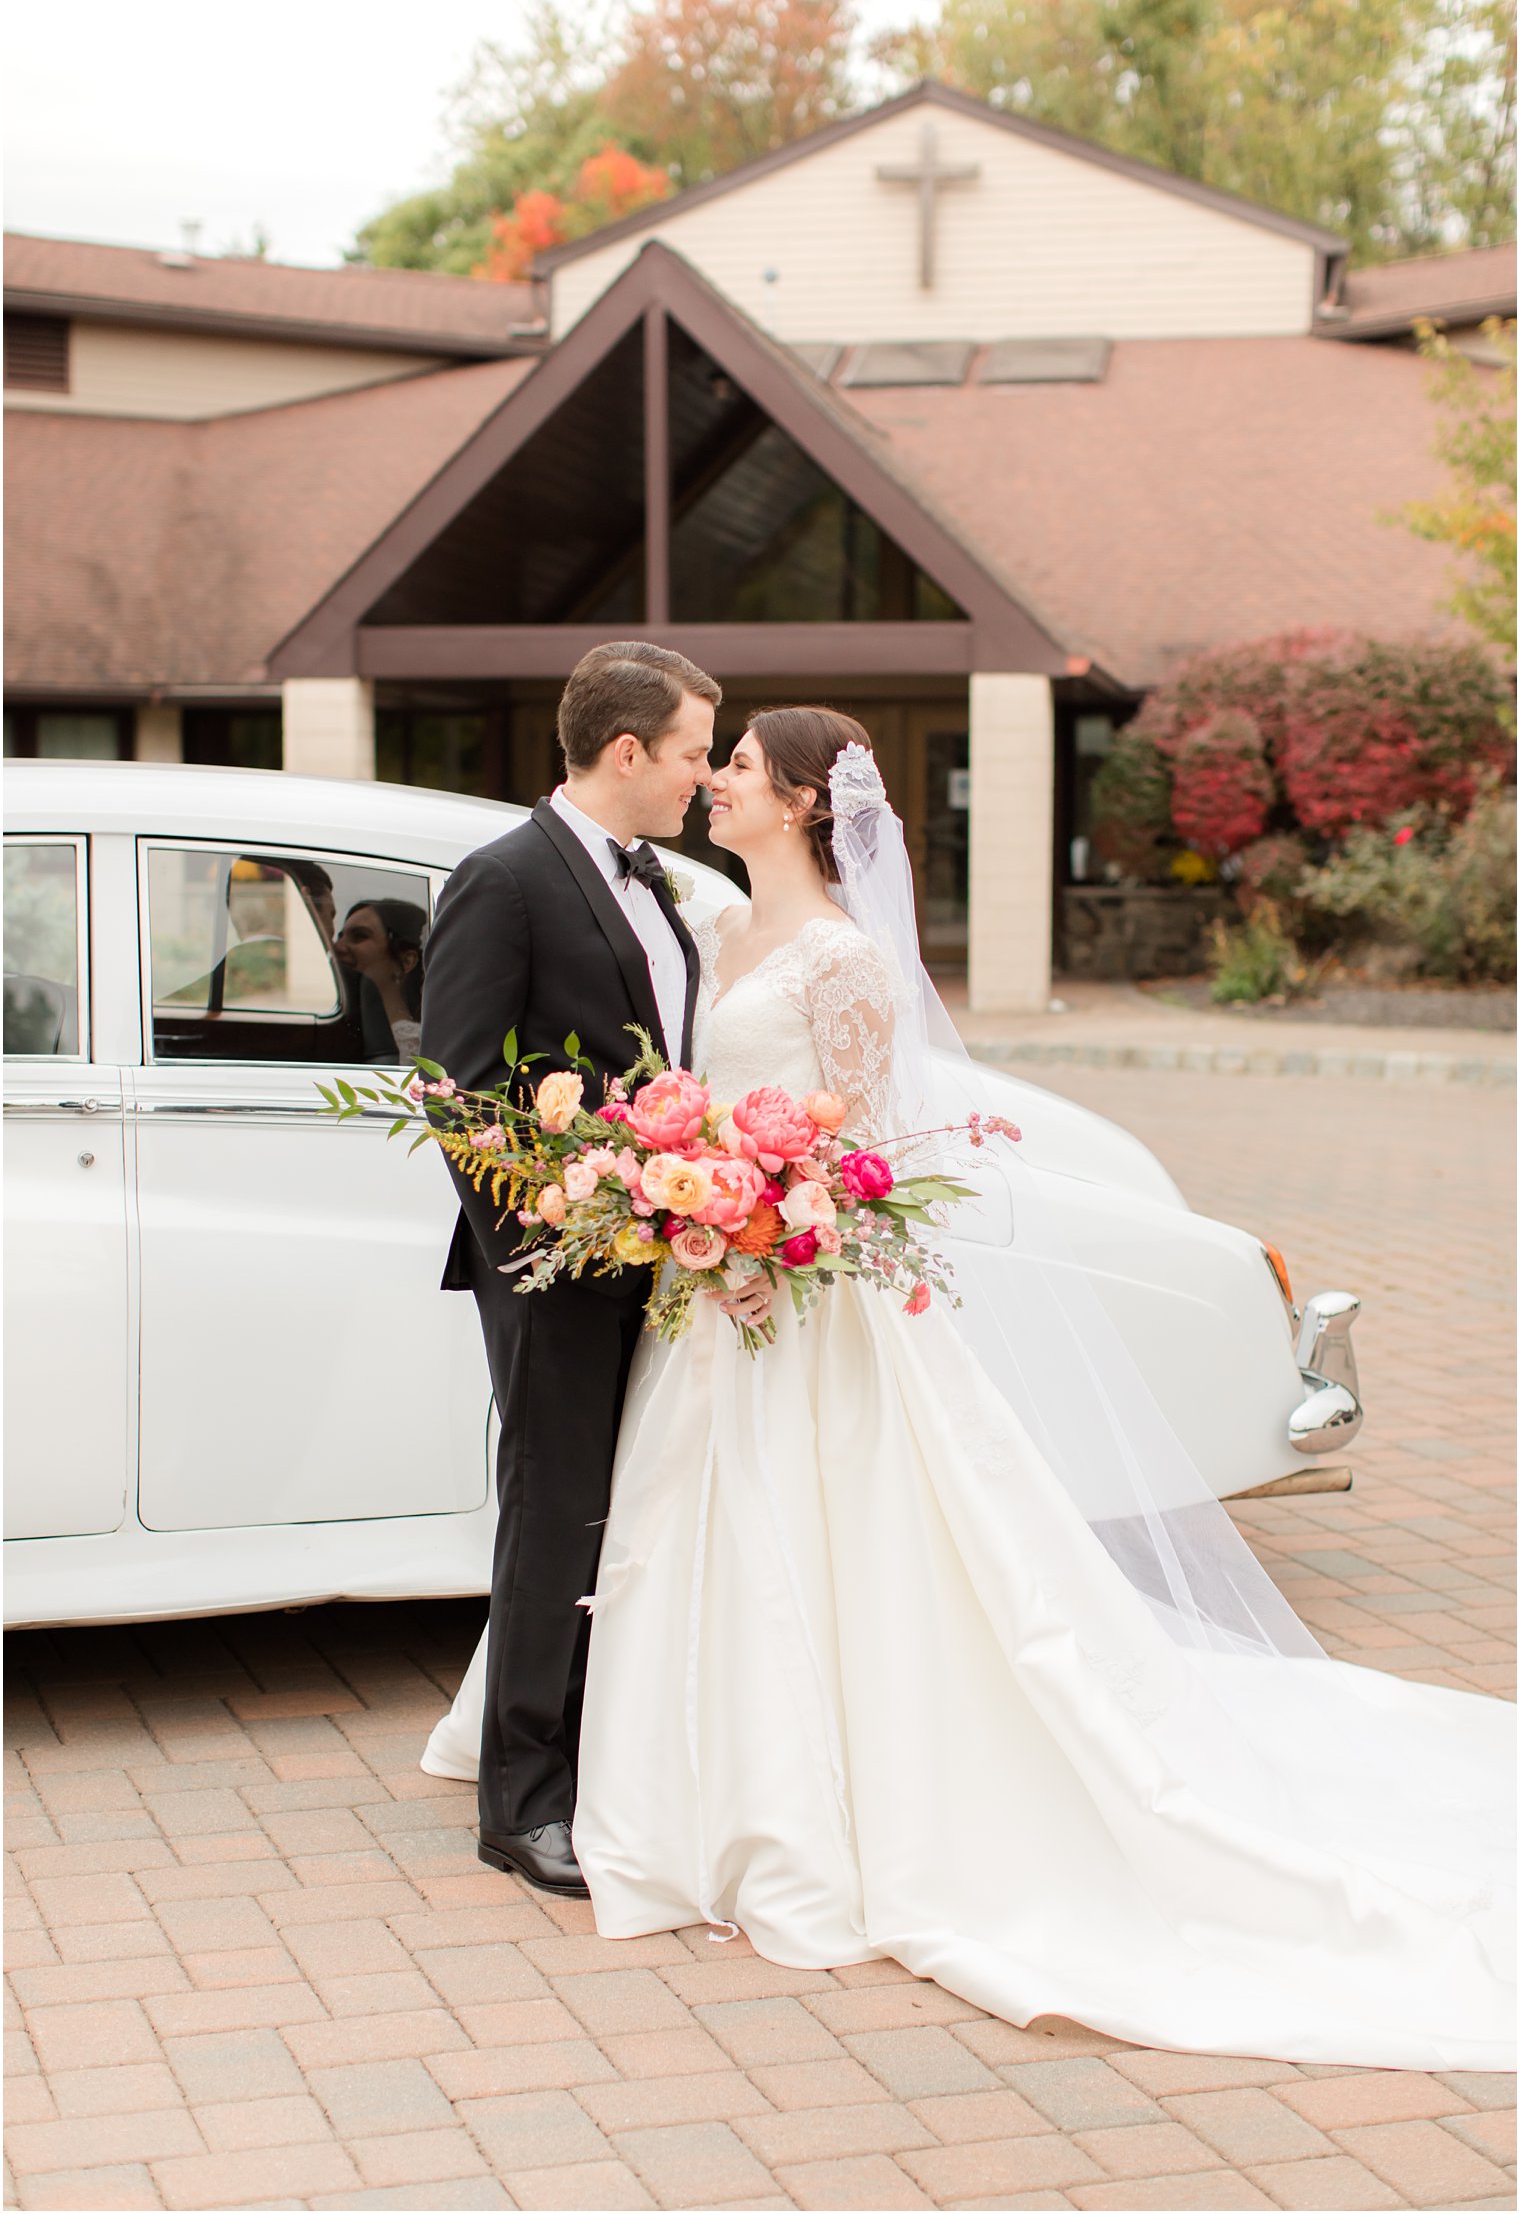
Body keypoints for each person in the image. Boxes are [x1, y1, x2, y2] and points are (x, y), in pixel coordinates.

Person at [425, 703, 1513, 2070]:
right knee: (677, 1523)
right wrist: (699, 1209)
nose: (718, 781)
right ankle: (667, 1775)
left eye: (743, 767)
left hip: (806, 1297)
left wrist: (780, 1237)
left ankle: (827, 1797)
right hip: (707, 1290)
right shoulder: (711, 931)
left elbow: (868, 1152)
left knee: (849, 1541)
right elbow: (685, 1099)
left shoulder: (841, 960)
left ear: (808, 802)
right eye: (714, 757)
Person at [418, 640, 767, 1900]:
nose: (697, 779)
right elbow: (456, 1096)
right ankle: (520, 1806)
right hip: (553, 1263)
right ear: (626, 752)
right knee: (553, 1515)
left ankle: (601, 1762)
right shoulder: (502, 880)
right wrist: (565, 1225)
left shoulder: (666, 887)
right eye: (686, 754)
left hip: (659, 1253)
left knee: (629, 1516)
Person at [335, 896, 427, 1060]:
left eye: (359, 936)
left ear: (407, 961)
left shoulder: (419, 1048)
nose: (338, 947)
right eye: (340, 936)